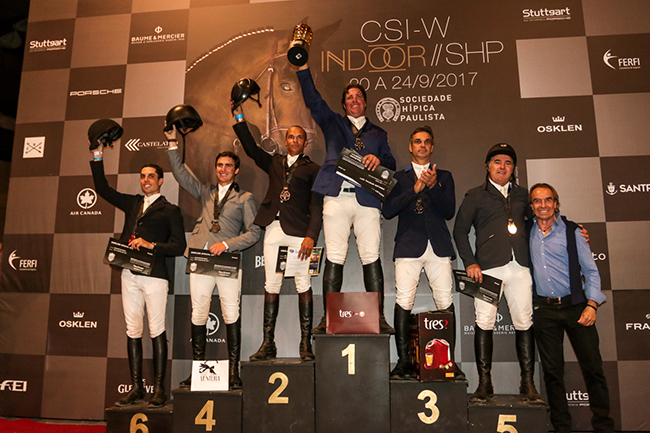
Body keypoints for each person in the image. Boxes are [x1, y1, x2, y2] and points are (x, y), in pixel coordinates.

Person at [296, 62, 396, 334]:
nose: (354, 100)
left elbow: (391, 163)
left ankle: (379, 317)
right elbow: (313, 100)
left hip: (367, 199)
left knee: (371, 255)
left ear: (365, 103)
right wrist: (303, 67)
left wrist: (380, 160)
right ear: (344, 104)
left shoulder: (378, 133)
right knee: (335, 256)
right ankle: (328, 318)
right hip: (337, 197)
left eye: (359, 96)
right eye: (350, 97)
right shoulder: (333, 123)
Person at [164, 126, 261, 389]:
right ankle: (199, 372)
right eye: (219, 165)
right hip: (201, 259)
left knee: (231, 312)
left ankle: (233, 373)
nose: (223, 169)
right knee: (199, 313)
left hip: (227, 261)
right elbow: (182, 175)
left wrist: (228, 244)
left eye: (228, 166)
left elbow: (254, 233)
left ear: (236, 170)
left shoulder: (244, 198)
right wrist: (172, 143)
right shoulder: (205, 192)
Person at [90, 143, 186, 408]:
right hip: (129, 273)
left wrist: (151, 245)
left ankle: (159, 389)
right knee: (133, 329)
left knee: (157, 329)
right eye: (143, 176)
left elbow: (179, 246)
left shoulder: (170, 210)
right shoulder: (132, 202)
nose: (146, 180)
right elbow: (102, 189)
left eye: (151, 176)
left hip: (155, 275)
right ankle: (136, 388)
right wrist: (97, 155)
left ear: (161, 181)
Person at [231, 102, 322, 362]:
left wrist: (311, 236)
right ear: (285, 140)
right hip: (273, 228)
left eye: (299, 137)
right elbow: (251, 149)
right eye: (291, 136)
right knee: (272, 284)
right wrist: (239, 118)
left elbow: (316, 206)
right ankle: (268, 343)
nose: (294, 140)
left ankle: (305, 345)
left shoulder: (313, 169)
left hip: (299, 233)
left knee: (303, 284)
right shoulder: (274, 162)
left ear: (305, 142)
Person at [453, 143, 543, 402]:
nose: (502, 166)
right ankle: (485, 384)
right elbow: (459, 231)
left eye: (508, 163)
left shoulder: (524, 195)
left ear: (513, 169)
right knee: (484, 322)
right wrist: (470, 262)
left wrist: (572, 229)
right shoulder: (475, 195)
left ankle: (527, 384)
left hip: (520, 268)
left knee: (524, 322)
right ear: (487, 166)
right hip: (488, 270)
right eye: (497, 162)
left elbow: (542, 220)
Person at [528, 183, 614, 433]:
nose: (543, 205)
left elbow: (591, 271)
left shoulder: (573, 231)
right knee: (552, 373)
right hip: (544, 310)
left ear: (556, 203)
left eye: (548, 200)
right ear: (531, 206)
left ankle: (603, 425)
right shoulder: (525, 231)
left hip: (576, 306)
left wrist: (592, 305)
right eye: (537, 201)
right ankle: (561, 427)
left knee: (593, 368)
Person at [383, 125, 464, 380]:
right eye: (418, 141)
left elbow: (449, 211)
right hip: (409, 245)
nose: (422, 145)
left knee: (444, 300)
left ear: (432, 147)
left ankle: (448, 361)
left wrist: (434, 185)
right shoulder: (399, 177)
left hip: (438, 246)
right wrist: (416, 189)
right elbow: (388, 210)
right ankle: (403, 362)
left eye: (427, 142)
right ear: (410, 147)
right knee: (404, 301)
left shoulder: (445, 176)